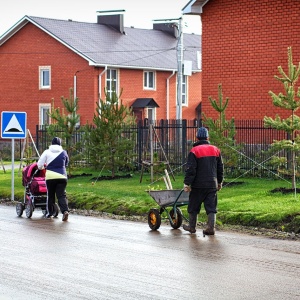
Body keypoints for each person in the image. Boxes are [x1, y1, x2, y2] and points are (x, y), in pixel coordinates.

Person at [182, 127, 223, 235]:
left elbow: (191, 169)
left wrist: (187, 183)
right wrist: (219, 182)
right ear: (207, 137)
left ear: (197, 138)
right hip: (212, 184)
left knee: (193, 206)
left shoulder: (194, 151)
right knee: (211, 207)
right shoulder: (215, 150)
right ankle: (211, 228)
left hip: (197, 185)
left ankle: (192, 227)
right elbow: (220, 168)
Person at [37, 137, 70, 221]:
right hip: (62, 176)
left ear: (51, 143)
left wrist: (42, 168)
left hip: (50, 177)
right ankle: (65, 211)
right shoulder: (64, 152)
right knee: (61, 195)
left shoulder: (47, 152)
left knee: (51, 195)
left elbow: (39, 165)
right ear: (60, 144)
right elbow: (66, 163)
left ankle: (50, 213)